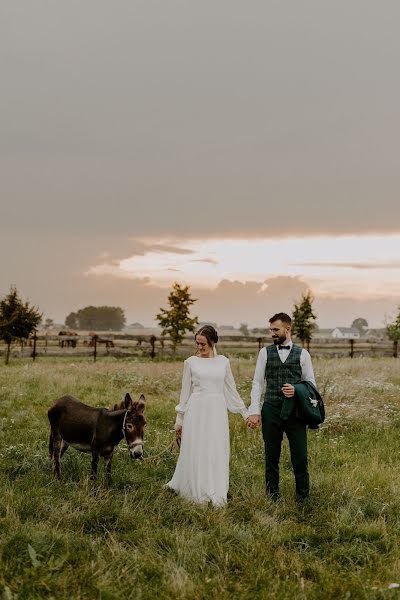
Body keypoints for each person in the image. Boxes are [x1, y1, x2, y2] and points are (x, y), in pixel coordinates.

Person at [166, 325, 249, 506]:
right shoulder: (190, 363)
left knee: (215, 448)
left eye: (203, 344)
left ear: (212, 342)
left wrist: (245, 413)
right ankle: (195, 487)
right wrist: (179, 420)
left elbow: (231, 390)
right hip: (196, 411)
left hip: (216, 412)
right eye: (197, 343)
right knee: (197, 448)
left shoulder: (223, 362)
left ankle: (216, 488)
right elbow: (185, 393)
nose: (200, 347)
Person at [247, 312, 317, 503]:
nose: (272, 333)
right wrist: (254, 411)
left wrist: (297, 390)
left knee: (300, 457)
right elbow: (257, 383)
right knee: (271, 456)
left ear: (288, 329)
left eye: (276, 330)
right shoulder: (264, 352)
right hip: (271, 410)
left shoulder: (303, 354)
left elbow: (311, 384)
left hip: (295, 412)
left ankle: (303, 498)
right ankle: (272, 497)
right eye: (271, 330)